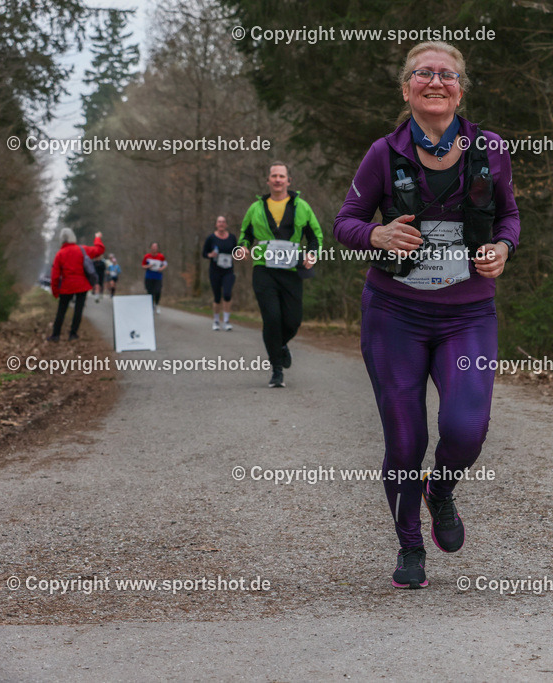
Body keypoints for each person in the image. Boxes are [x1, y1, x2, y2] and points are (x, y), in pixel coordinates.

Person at [333, 41, 520, 589]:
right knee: (405, 439)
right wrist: (376, 233)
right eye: (423, 74)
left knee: (466, 427)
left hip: (467, 314)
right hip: (395, 314)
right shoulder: (383, 154)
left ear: (461, 87)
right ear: (407, 86)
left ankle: (440, 492)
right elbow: (345, 222)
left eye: (447, 74)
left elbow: (508, 215)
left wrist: (504, 248)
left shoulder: (490, 147)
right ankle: (409, 546)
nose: (435, 82)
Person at [238, 162, 321, 387]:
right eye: (273, 176)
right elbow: (245, 234)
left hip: (292, 269)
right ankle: (276, 369)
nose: (277, 179)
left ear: (288, 181)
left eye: (281, 176)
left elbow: (314, 237)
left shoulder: (301, 206)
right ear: (268, 181)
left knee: (293, 321)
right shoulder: (256, 208)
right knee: (272, 318)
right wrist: (243, 247)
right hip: (263, 268)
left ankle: (281, 345)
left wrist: (312, 254)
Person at [48, 228, 105, 341]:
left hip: (66, 286)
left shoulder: (60, 254)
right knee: (78, 310)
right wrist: (97, 238)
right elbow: (99, 250)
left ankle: (56, 335)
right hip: (81, 285)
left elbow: (55, 275)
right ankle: (73, 334)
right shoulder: (82, 249)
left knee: (61, 310)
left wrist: (55, 291)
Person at [202, 215, 238, 330]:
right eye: (219, 222)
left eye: (223, 222)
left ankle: (226, 321)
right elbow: (204, 253)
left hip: (228, 270)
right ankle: (216, 320)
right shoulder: (211, 238)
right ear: (216, 224)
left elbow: (236, 251)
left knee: (227, 294)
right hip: (215, 271)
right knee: (217, 297)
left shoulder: (232, 238)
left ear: (226, 224)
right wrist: (210, 255)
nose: (221, 224)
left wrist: (240, 254)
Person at [141, 243, 167, 313]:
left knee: (158, 291)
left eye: (155, 247)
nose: (154, 248)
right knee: (150, 292)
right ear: (150, 248)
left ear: (157, 248)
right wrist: (148, 266)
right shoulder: (147, 256)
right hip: (149, 277)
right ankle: (151, 306)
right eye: (153, 247)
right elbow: (143, 266)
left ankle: (157, 304)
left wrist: (161, 268)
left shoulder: (161, 256)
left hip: (158, 277)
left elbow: (165, 264)